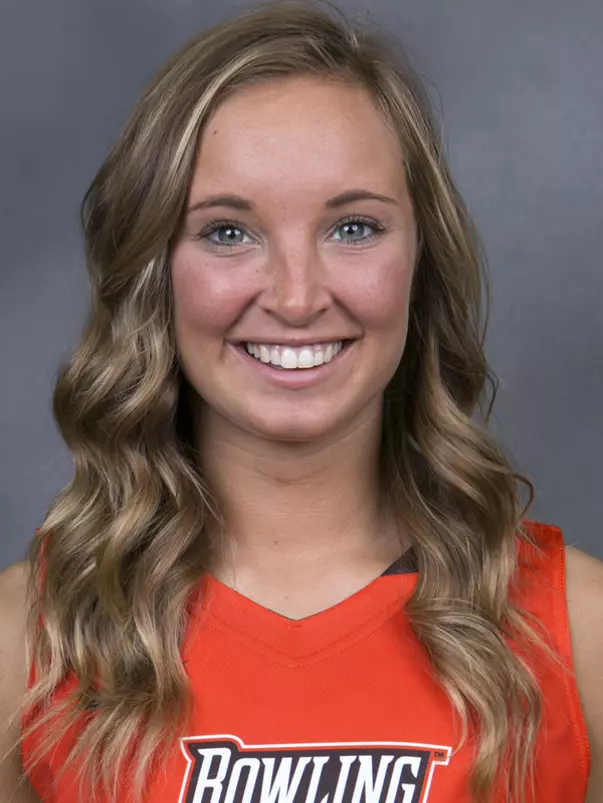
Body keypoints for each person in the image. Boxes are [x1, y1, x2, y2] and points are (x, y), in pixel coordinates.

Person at [0, 1, 601, 801]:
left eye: (352, 228)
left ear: (421, 258)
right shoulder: (24, 642)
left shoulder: (579, 628)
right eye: (226, 232)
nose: (295, 296)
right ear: (153, 269)